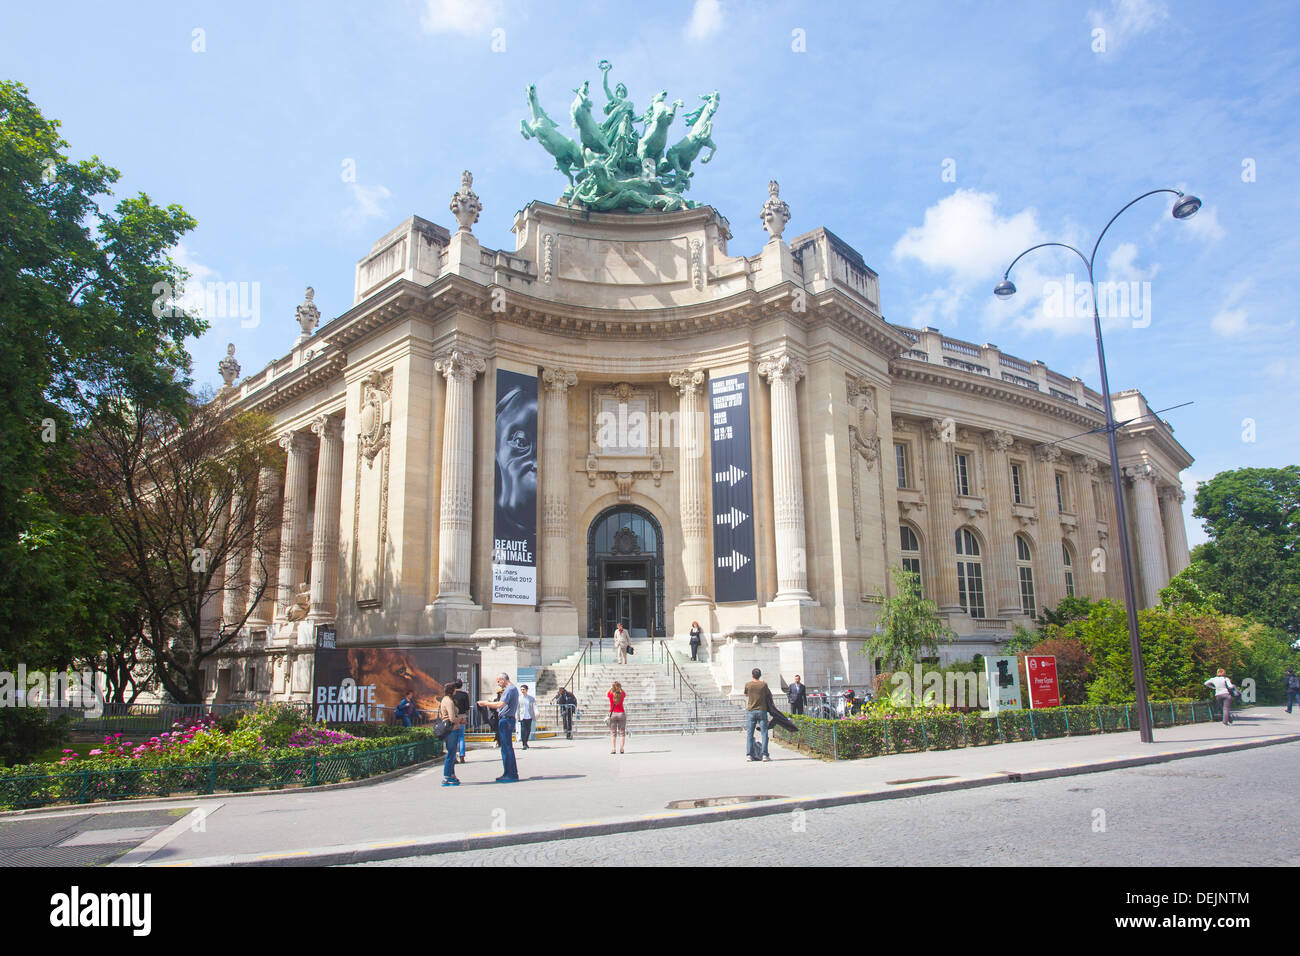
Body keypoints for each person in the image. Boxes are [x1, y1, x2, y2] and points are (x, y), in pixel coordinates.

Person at [478, 673, 520, 782]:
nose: (498, 684)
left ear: (503, 679)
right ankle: (511, 772)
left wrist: (485, 703)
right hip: (507, 719)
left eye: (498, 681)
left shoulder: (509, 690)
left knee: (506, 748)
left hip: (506, 720)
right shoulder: (513, 689)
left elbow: (500, 705)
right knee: (507, 747)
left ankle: (509, 773)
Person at [439, 684, 465, 786]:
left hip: (452, 729)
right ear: (452, 690)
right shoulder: (448, 701)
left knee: (453, 752)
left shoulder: (447, 700)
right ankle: (446, 776)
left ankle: (451, 775)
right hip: (451, 729)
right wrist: (461, 720)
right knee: (451, 753)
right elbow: (452, 718)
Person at [744, 668, 772, 762]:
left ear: (752, 675)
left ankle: (749, 755)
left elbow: (746, 694)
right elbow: (768, 694)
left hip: (751, 710)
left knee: (750, 734)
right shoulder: (764, 684)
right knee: (764, 733)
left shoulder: (748, 685)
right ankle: (764, 755)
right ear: (760, 675)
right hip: (762, 710)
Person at [451, 680, 471, 763]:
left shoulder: (452, 695)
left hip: (454, 716)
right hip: (462, 716)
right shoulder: (464, 694)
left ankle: (454, 756)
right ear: (461, 685)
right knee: (461, 736)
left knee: (454, 737)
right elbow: (467, 707)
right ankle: (462, 755)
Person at [608, 680, 627, 754]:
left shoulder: (610, 694)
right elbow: (625, 694)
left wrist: (612, 688)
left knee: (613, 733)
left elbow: (607, 693)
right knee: (622, 732)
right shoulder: (622, 694)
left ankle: (613, 749)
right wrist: (620, 688)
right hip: (621, 713)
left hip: (612, 714)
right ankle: (621, 749)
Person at [518, 684, 536, 749]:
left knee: (528, 730)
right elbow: (517, 708)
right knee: (523, 730)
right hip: (522, 716)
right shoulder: (519, 698)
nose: (522, 691)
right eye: (521, 689)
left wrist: (536, 713)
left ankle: (526, 741)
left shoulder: (531, 698)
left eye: (523, 689)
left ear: (526, 690)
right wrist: (516, 715)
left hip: (529, 716)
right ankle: (524, 743)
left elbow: (534, 706)